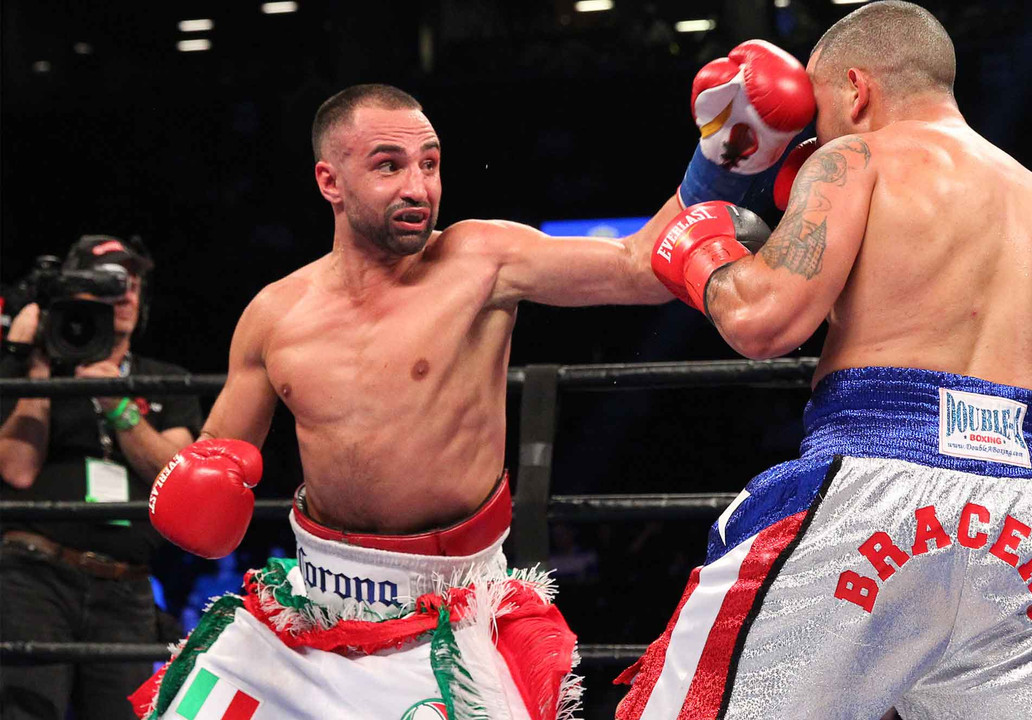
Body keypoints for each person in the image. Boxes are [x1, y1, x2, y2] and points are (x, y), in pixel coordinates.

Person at [131, 76, 813, 720]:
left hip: (451, 616)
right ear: (329, 181)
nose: (419, 186)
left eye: (429, 163)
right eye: (389, 165)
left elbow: (639, 265)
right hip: (313, 606)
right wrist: (198, 488)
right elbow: (217, 462)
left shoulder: (480, 261)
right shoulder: (274, 314)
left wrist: (724, 148)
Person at [621, 3, 1032, 718]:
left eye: (822, 111)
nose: (815, 136)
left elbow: (762, 319)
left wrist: (701, 247)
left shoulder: (854, 156)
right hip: (1029, 519)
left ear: (856, 89)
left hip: (875, 494)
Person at [0, 235, 203, 720]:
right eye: (110, 283)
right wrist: (41, 365)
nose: (126, 295)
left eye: (133, 284)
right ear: (78, 292)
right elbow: (17, 470)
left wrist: (119, 406)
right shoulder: (28, 368)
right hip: (34, 576)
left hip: (126, 588)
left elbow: (181, 480)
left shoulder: (163, 379)